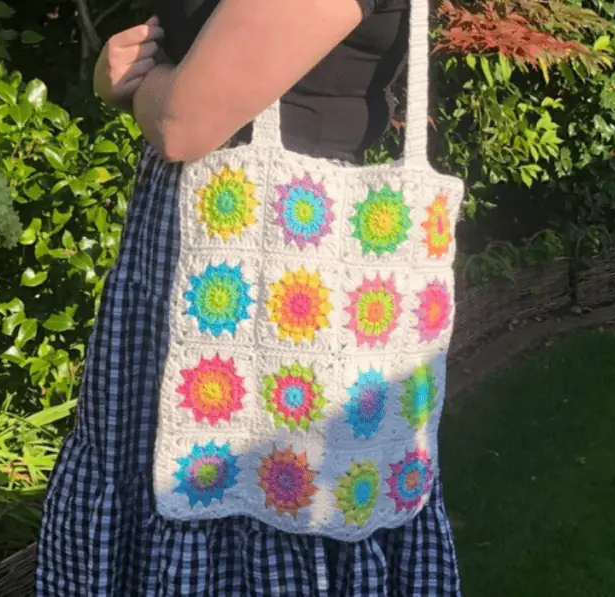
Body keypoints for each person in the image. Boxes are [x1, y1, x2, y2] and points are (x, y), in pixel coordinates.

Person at [36, 1, 462, 595]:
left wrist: (136, 86)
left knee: (264, 489)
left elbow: (185, 123)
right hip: (227, 245)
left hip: (275, 251)